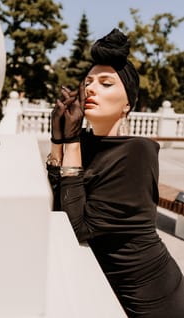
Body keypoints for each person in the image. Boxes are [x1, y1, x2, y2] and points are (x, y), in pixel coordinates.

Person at [46, 28, 184, 318]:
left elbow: (78, 227)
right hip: (105, 290)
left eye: (106, 83)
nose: (91, 89)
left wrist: (69, 142)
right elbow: (59, 204)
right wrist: (58, 141)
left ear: (127, 104)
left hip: (153, 297)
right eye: (88, 82)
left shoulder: (137, 152)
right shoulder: (81, 144)